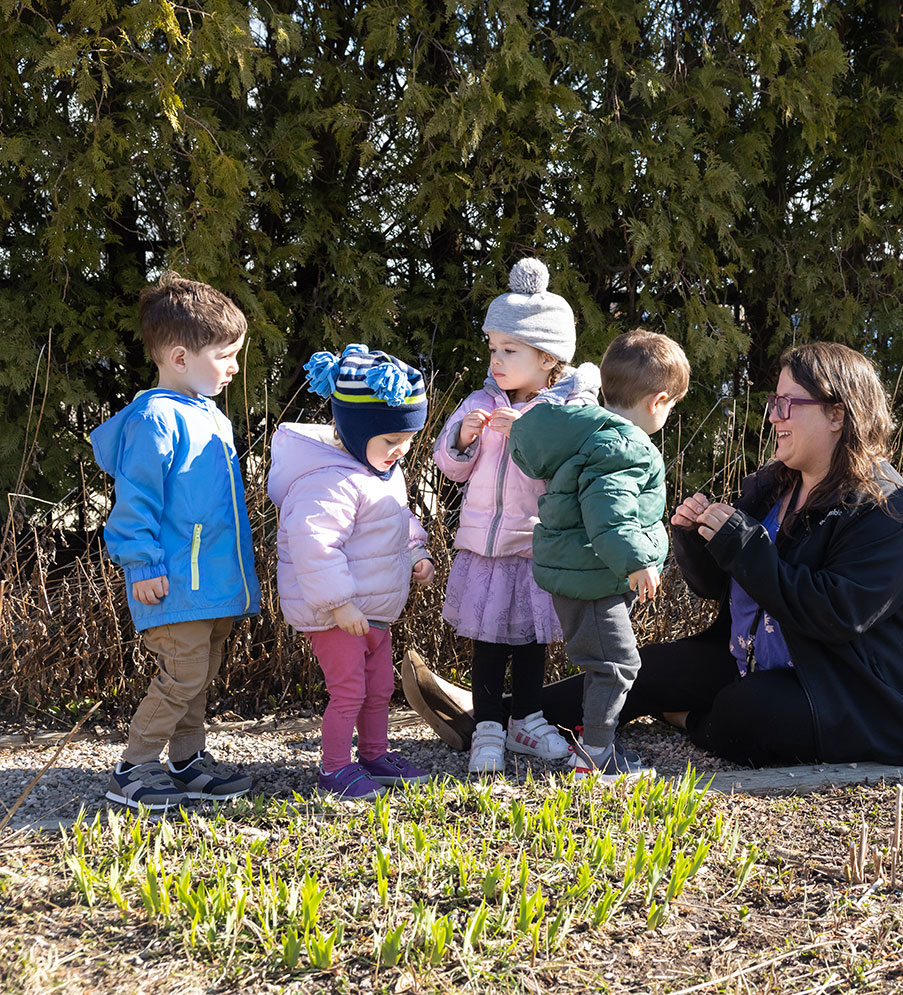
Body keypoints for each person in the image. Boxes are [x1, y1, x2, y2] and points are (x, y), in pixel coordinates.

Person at [550, 341, 903, 768]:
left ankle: (690, 718)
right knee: (648, 669)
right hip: (757, 659)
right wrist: (697, 541)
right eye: (775, 402)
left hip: (859, 697)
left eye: (789, 404)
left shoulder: (885, 510)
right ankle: (501, 713)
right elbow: (721, 587)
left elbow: (836, 613)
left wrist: (743, 545)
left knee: (752, 708)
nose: (774, 414)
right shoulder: (776, 485)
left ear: (837, 414)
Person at [91, 272, 260, 810]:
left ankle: (187, 760)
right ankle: (134, 766)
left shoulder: (209, 414)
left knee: (201, 671)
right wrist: (142, 565)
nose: (234, 366)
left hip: (210, 580)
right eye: (225, 355)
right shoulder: (156, 418)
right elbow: (136, 501)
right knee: (183, 672)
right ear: (181, 357)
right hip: (172, 581)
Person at [509, 329, 689, 781]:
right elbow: (608, 512)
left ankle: (594, 747)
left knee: (605, 663)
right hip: (592, 576)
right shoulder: (624, 446)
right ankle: (595, 757)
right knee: (616, 664)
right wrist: (636, 561)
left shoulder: (594, 433)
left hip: (586, 573)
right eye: (672, 406)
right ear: (658, 401)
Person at [267, 344, 437, 799]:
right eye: (389, 441)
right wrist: (338, 603)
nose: (399, 451)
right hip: (335, 614)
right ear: (356, 430)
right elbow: (314, 545)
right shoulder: (327, 480)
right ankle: (334, 768)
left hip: (373, 610)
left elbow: (395, 517)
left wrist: (416, 550)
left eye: (406, 442)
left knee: (379, 689)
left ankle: (375, 755)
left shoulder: (377, 470)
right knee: (349, 693)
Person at [434, 257, 583, 773]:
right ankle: (489, 726)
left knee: (531, 641)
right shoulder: (480, 399)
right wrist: (462, 437)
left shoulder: (561, 411)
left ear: (547, 359)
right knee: (490, 640)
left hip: (535, 543)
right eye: (493, 347)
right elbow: (449, 466)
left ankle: (528, 717)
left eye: (510, 350)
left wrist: (521, 432)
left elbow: (562, 474)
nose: (496, 359)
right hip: (486, 545)